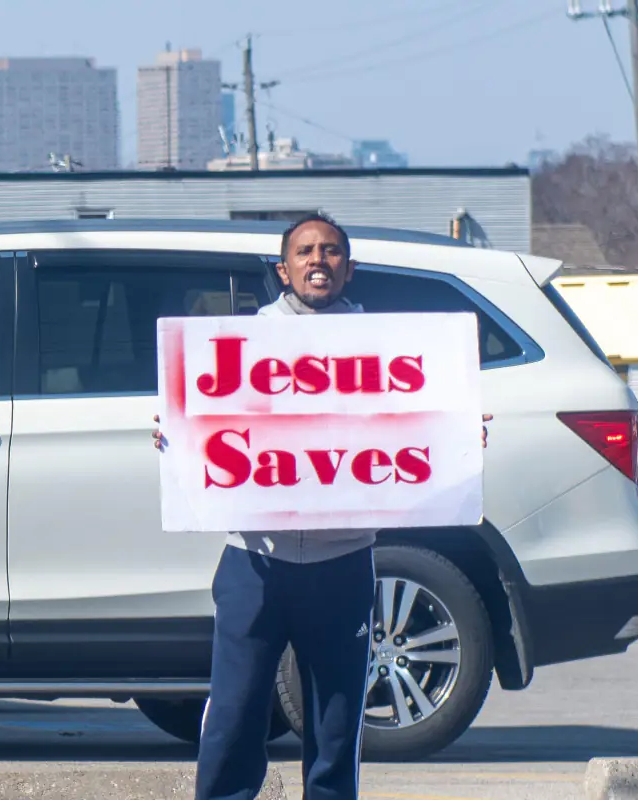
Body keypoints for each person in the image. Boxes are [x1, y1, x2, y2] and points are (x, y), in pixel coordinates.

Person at [152, 213, 489, 800]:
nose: (319, 261)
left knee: (336, 720)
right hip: (254, 562)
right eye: (306, 251)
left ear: (349, 268)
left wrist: (455, 434)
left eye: (331, 251)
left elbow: (415, 431)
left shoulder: (385, 352)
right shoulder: (239, 345)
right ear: (284, 269)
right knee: (233, 711)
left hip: (344, 562)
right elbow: (207, 426)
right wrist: (177, 434)